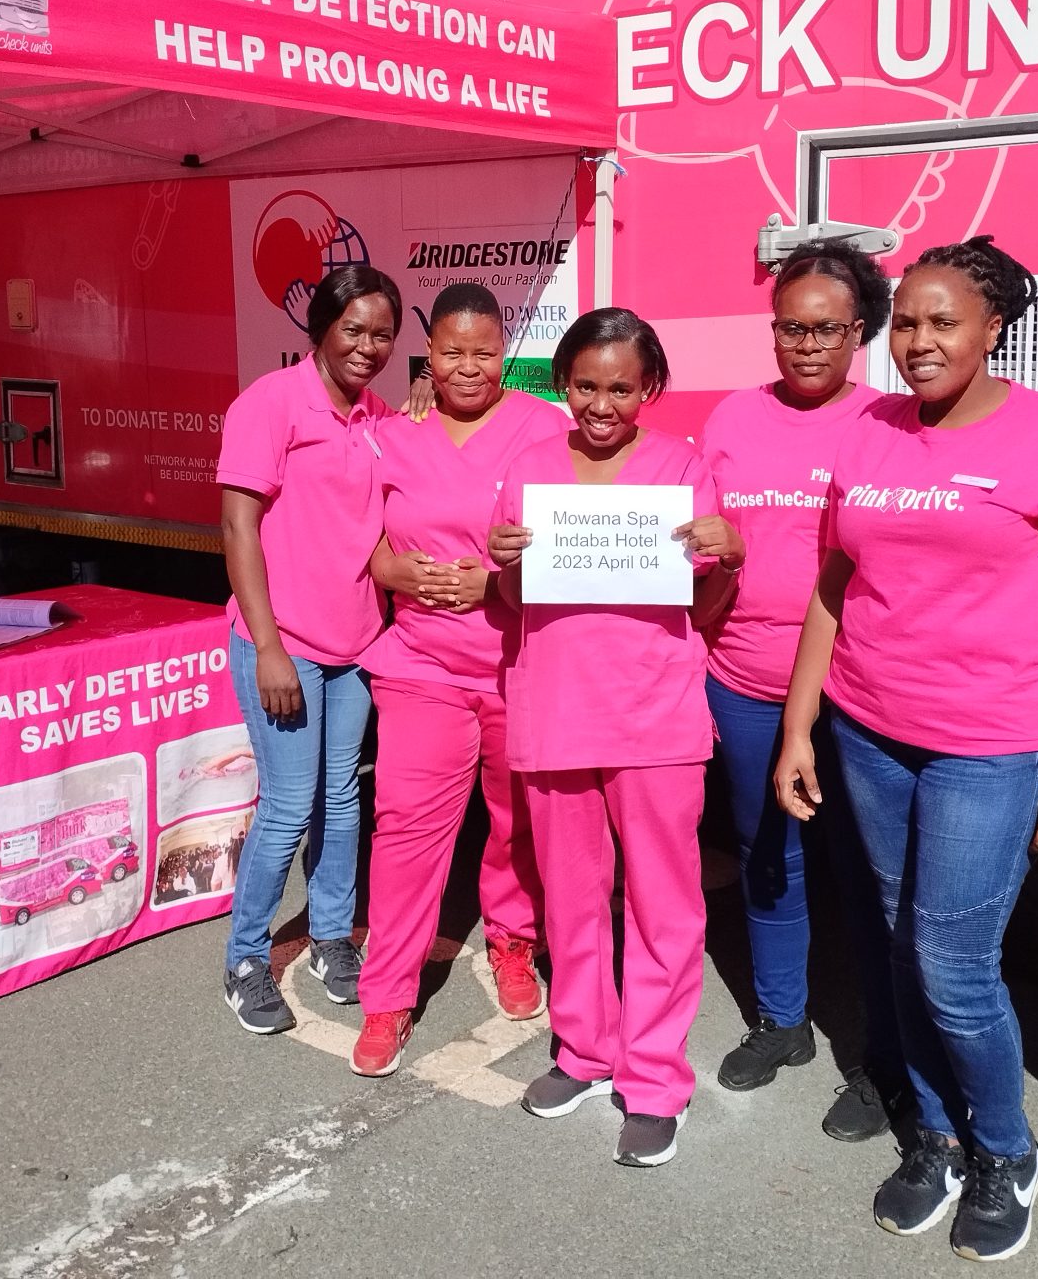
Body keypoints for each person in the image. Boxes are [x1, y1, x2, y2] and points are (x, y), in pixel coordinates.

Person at [777, 237, 1038, 1262]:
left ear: (992, 327)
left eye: (943, 322)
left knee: (952, 962)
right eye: (906, 323)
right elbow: (834, 585)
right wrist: (799, 724)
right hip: (869, 730)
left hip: (991, 745)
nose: (918, 342)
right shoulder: (870, 432)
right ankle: (933, 1135)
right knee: (895, 942)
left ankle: (1005, 1149)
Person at [488, 308, 739, 1169]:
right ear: (563, 382)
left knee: (664, 905)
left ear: (649, 388)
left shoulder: (684, 470)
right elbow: (515, 602)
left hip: (655, 716)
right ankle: (585, 1051)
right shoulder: (529, 470)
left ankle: (656, 1078)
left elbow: (705, 603)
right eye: (586, 386)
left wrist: (730, 554)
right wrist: (507, 562)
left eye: (621, 388)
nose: (601, 405)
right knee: (570, 898)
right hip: (557, 710)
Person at [698, 238, 907, 1140]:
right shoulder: (733, 419)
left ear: (859, 332)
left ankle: (883, 1060)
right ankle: (782, 1021)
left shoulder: (892, 424)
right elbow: (697, 541)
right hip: (744, 680)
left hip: (857, 694)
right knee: (767, 857)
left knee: (868, 876)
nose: (807, 344)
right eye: (791, 327)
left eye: (826, 329)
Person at [350, 282, 561, 1077]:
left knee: (518, 824)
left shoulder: (545, 429)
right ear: (428, 355)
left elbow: (570, 543)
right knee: (405, 830)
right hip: (422, 664)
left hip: (516, 662)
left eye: (483, 352)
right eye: (451, 352)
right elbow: (363, 538)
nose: (468, 367)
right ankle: (387, 997)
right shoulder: (390, 434)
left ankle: (514, 942)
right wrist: (395, 570)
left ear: (504, 351)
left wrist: (497, 585)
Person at [217, 264, 402, 1035]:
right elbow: (237, 527)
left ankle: (330, 938)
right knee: (290, 804)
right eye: (353, 329)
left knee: (341, 798)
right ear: (320, 328)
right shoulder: (270, 403)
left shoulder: (377, 413)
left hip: (355, 645)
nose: (367, 346)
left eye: (382, 334)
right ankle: (244, 958)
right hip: (284, 643)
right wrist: (267, 646)